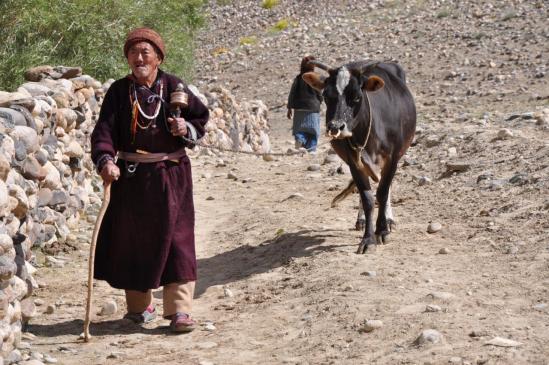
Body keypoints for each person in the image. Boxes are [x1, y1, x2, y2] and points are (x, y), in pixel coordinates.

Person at [90, 27, 209, 333]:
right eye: (133, 52)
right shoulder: (119, 92)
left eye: (145, 52)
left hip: (172, 176)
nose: (139, 57)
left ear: (158, 57)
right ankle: (140, 308)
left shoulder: (174, 86)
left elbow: (200, 118)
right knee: (134, 242)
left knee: (178, 241)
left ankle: (180, 311)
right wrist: (105, 160)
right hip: (132, 180)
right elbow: (104, 132)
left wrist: (185, 129)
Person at [287, 56, 323, 152]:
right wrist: (321, 101)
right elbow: (319, 92)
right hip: (313, 108)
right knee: (313, 132)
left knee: (300, 130)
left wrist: (289, 108)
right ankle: (311, 150)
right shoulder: (315, 77)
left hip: (299, 108)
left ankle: (300, 140)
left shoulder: (298, 78)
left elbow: (292, 93)